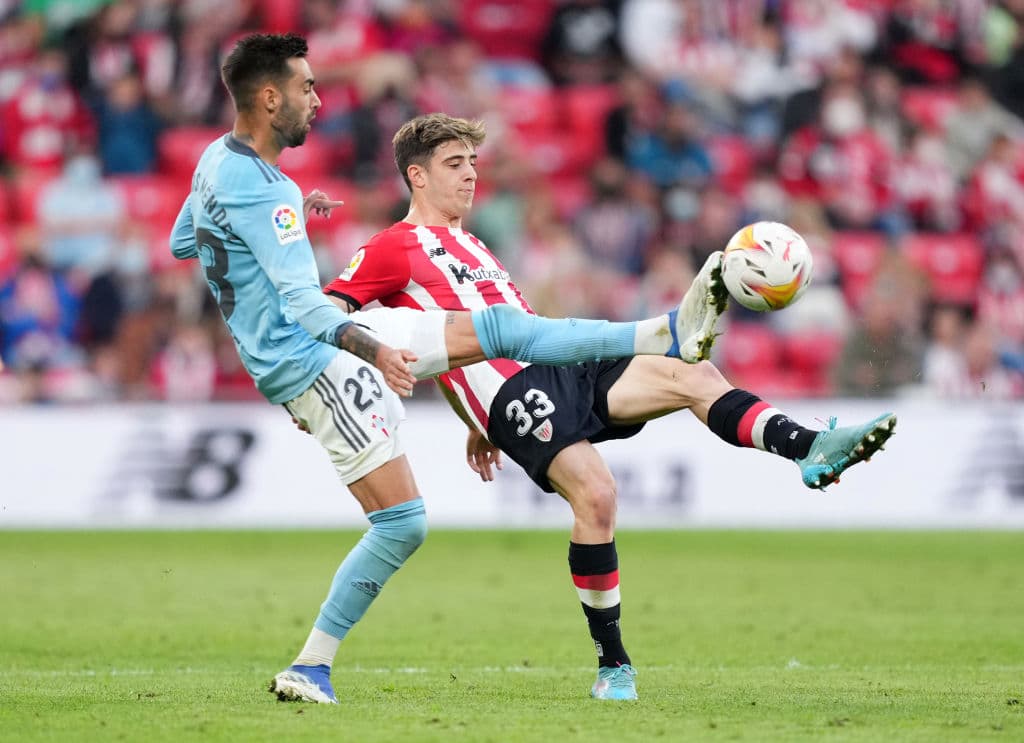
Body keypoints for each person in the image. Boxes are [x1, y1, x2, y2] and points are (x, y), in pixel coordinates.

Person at [168, 33, 729, 706]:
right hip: (317, 359)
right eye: (306, 86)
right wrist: (371, 349)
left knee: (492, 326)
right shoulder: (273, 193)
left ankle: (657, 332)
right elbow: (305, 306)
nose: (317, 98)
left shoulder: (213, 164)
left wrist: (273, 221)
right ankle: (310, 665)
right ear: (268, 97)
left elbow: (184, 238)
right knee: (403, 522)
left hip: (307, 348)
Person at [323, 112, 897, 701]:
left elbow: (454, 331)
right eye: (454, 164)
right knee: (597, 498)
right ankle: (614, 665)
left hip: (561, 361)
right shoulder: (391, 246)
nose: (470, 175)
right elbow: (326, 314)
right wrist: (401, 370)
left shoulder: (471, 241)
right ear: (416, 176)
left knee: (692, 373)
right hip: (515, 392)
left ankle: (809, 449)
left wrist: (471, 420)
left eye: (472, 161)